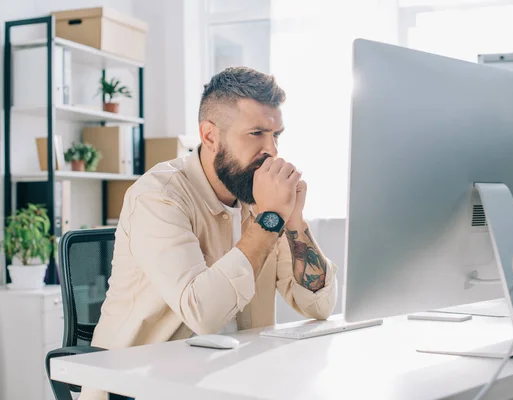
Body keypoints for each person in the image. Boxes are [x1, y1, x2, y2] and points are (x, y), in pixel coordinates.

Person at [80, 67, 338, 400]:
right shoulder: (158, 197)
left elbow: (319, 306)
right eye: (256, 133)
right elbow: (203, 314)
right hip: (139, 388)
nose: (272, 150)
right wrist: (272, 216)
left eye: (276, 135)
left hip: (226, 382)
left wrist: (293, 222)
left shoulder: (257, 199)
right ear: (210, 136)